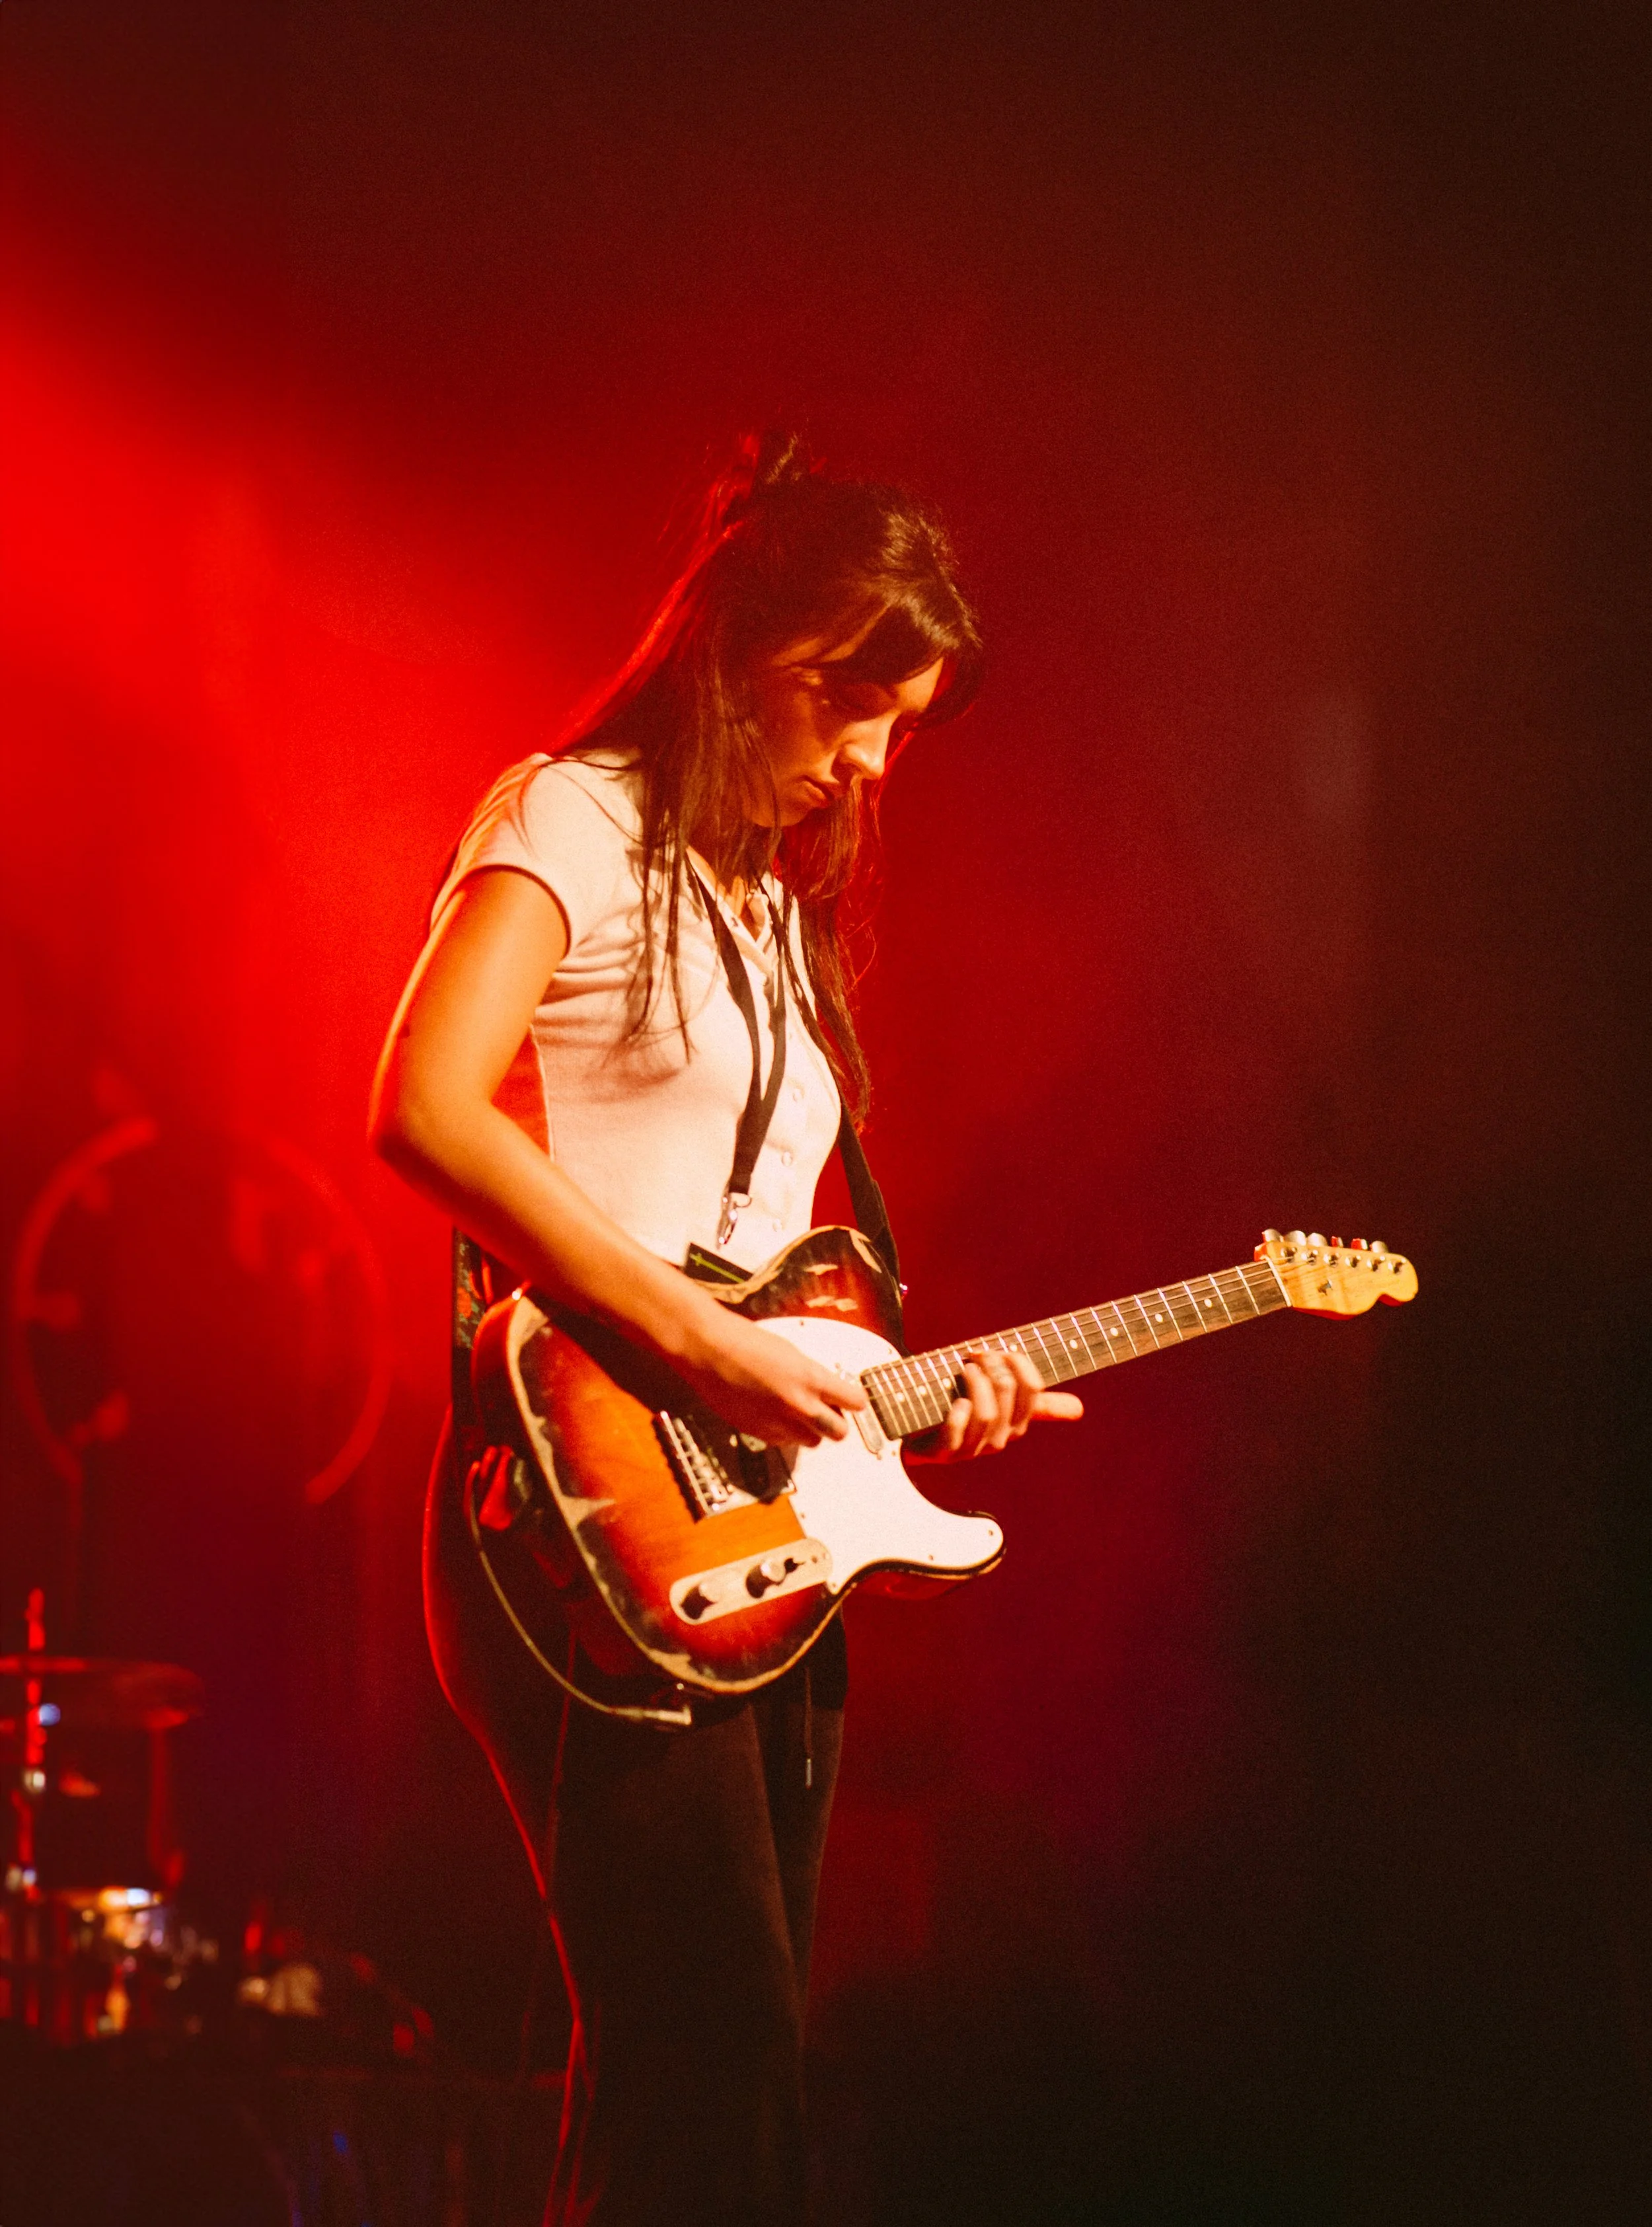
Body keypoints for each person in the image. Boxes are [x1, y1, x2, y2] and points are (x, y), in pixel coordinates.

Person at [368, 431, 1082, 2226]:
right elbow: (423, 1110)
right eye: (853, 704)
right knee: (715, 2056)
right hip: (587, 1504)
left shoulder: (766, 905)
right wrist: (693, 1349)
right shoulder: (568, 816)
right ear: (738, 650)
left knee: (691, 2075)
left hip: (749, 1522)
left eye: (901, 725)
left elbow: (783, 1272)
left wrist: (899, 1399)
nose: (870, 759)